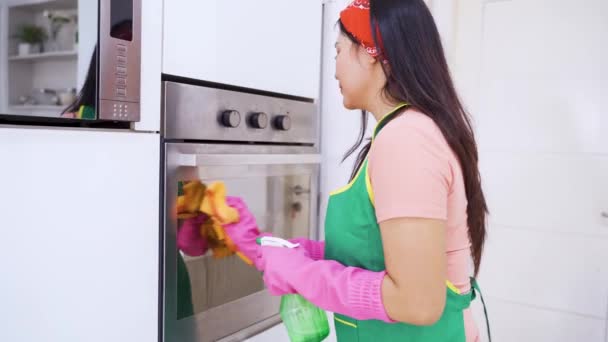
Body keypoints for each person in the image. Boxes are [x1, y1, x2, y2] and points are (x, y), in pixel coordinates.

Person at [223, 0, 489, 341]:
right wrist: (283, 253)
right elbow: (375, 253)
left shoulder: (406, 140)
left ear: (372, 54)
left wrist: (303, 274)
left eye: (338, 51)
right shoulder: (402, 133)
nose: (334, 68)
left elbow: (417, 302)